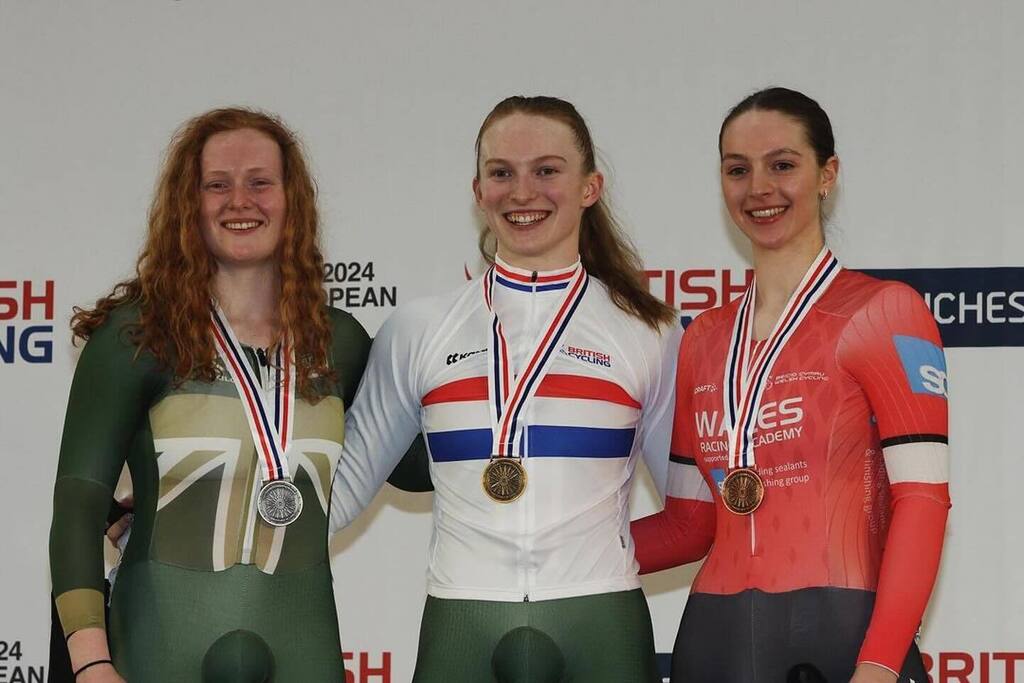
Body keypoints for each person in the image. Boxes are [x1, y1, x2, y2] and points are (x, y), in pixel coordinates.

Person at [329, 95, 680, 682]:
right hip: (461, 620)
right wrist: (168, 523)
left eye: (546, 170)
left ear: (590, 186)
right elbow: (336, 496)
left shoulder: (651, 331)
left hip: (600, 621)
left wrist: (590, 556)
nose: (522, 192)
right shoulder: (418, 329)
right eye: (502, 173)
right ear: (477, 190)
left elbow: (692, 511)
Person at [630, 87, 951, 683]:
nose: (759, 188)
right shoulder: (702, 340)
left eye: (782, 165)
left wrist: (880, 663)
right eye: (737, 169)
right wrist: (542, 553)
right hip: (714, 642)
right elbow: (687, 527)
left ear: (827, 174)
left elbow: (923, 501)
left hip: (844, 637)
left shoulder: (884, 312)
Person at [49, 108, 368, 682]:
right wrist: (91, 662)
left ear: (292, 200)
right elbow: (77, 505)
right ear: (186, 205)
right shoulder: (136, 337)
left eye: (260, 183)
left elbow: (419, 468)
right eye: (216, 184)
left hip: (303, 645)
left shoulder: (339, 341)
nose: (239, 201)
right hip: (159, 644)